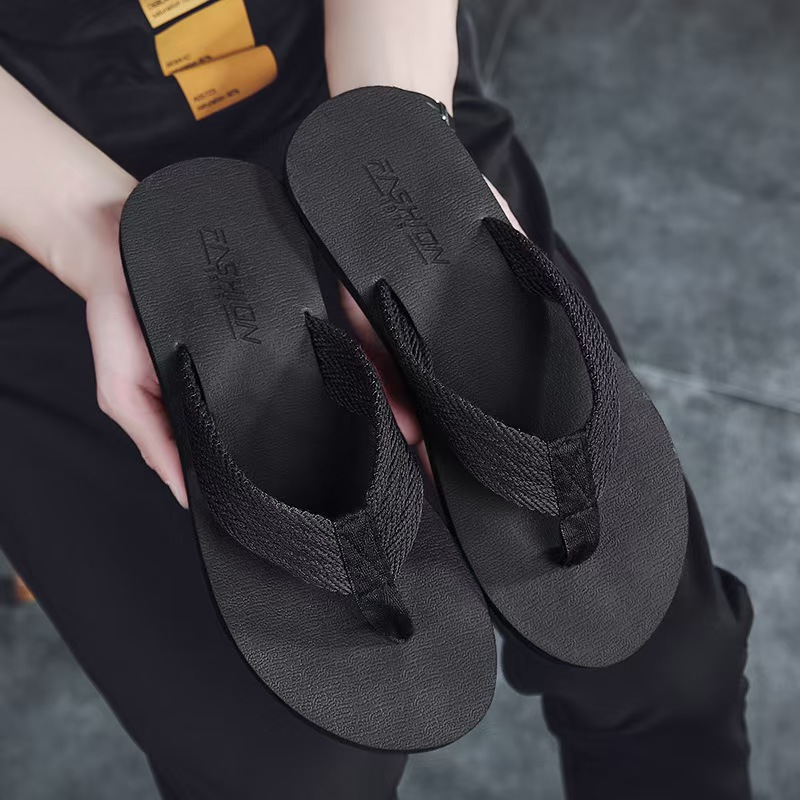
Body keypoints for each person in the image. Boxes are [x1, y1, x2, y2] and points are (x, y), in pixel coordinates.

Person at [0, 1, 753, 798]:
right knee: (294, 772)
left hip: (336, 87)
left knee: (667, 658)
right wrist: (97, 244)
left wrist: (390, 123)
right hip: (35, 195)